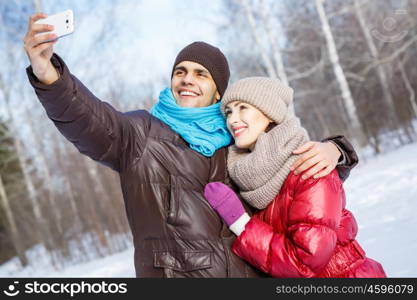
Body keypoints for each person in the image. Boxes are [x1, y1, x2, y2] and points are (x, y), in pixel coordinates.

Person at [23, 12, 358, 277]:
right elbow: (89, 120)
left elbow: (294, 177)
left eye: (201, 74)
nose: (187, 79)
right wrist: (48, 73)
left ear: (217, 92)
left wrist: (335, 149)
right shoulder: (140, 135)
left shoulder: (239, 144)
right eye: (180, 71)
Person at [204, 77, 386, 277]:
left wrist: (242, 224)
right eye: (228, 112)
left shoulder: (308, 167)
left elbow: (304, 263)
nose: (232, 119)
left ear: (270, 113)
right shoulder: (246, 174)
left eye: (242, 108)